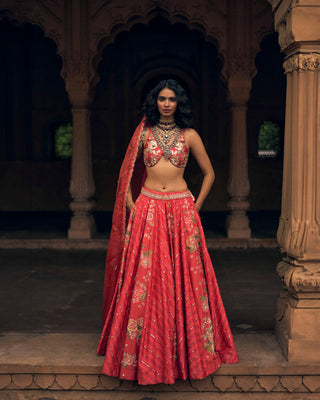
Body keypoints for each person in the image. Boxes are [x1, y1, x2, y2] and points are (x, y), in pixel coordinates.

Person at [97, 79, 238, 385]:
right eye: (161, 98)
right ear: (155, 101)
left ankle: (185, 354)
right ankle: (143, 353)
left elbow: (209, 173)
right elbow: (126, 174)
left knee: (184, 278)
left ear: (179, 103)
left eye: (171, 99)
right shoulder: (143, 134)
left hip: (180, 208)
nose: (166, 103)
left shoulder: (190, 135)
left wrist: (195, 206)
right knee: (147, 280)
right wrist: (132, 204)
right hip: (148, 209)